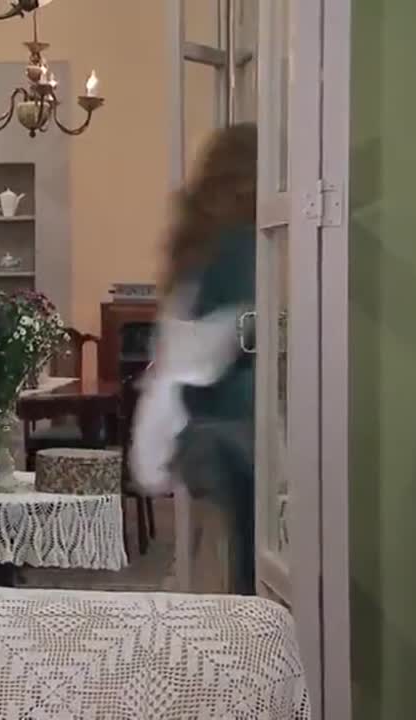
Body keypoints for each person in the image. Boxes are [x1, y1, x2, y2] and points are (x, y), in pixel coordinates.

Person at [129, 123, 258, 594]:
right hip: (233, 421)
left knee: (213, 556)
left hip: (195, 424)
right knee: (241, 570)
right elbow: (240, 329)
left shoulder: (196, 237)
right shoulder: (240, 242)